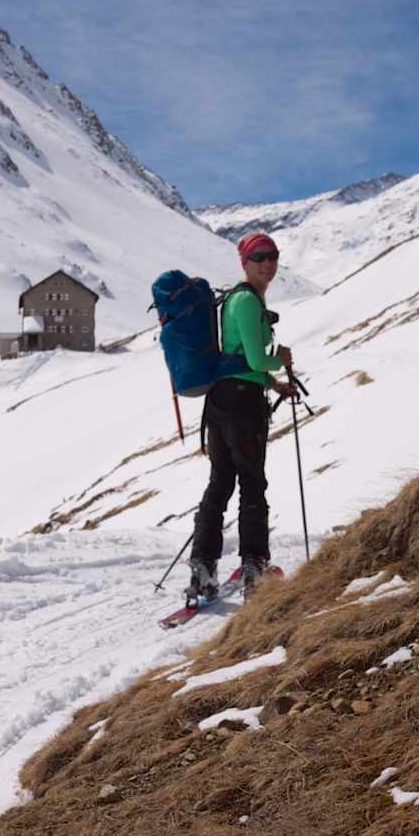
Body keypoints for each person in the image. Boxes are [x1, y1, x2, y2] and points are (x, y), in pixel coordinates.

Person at [186, 232, 297, 603]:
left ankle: (202, 568)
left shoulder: (233, 299)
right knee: (251, 483)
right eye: (260, 256)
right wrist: (279, 360)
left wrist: (272, 383)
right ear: (244, 262)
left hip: (220, 400)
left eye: (273, 256)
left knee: (220, 482)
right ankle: (255, 568)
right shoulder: (248, 302)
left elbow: (238, 358)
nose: (268, 263)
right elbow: (254, 359)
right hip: (243, 404)